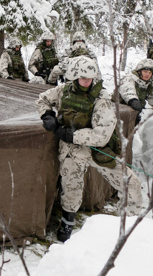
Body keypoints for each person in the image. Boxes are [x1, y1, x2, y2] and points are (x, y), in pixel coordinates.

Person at [35, 56, 142, 242]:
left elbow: (101, 136)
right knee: (71, 186)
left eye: (91, 78)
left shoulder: (102, 99)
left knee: (131, 183)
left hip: (97, 150)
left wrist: (71, 135)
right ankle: (67, 222)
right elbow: (42, 99)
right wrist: (48, 115)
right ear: (74, 77)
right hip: (71, 150)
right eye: (84, 78)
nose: (88, 82)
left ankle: (129, 226)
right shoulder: (63, 91)